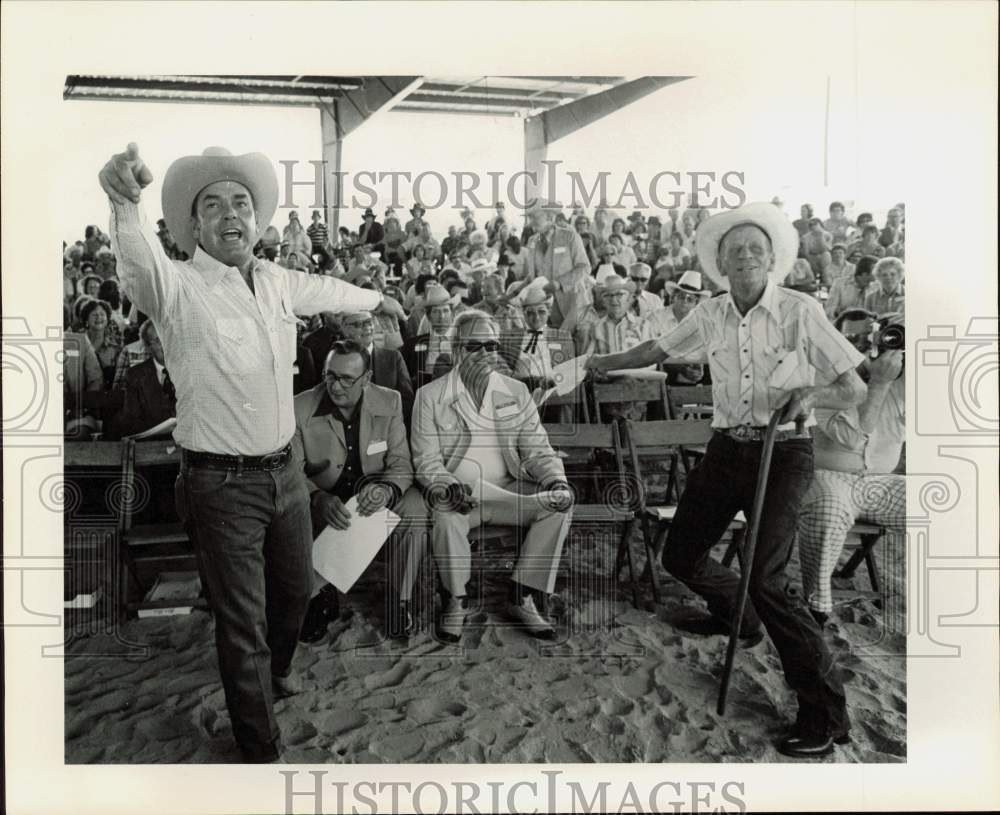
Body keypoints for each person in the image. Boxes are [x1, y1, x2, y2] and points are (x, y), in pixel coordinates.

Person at [99, 142, 407, 764]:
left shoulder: (275, 280)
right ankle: (259, 749)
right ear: (193, 227)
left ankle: (275, 673)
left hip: (285, 472)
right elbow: (135, 265)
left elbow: (326, 287)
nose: (230, 212)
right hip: (218, 484)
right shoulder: (177, 285)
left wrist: (378, 301)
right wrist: (123, 202)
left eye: (241, 201)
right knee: (242, 623)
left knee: (295, 593)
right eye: (212, 205)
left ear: (259, 218)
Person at [585, 202, 867, 758]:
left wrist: (810, 395)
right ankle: (738, 616)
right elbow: (652, 350)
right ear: (720, 261)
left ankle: (825, 711)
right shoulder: (711, 312)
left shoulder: (800, 309)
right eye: (735, 250)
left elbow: (854, 388)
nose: (745, 257)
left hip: (783, 452)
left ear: (772, 259)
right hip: (726, 448)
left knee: (769, 580)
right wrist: (595, 364)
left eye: (755, 249)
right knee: (680, 555)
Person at [411, 310, 574, 643]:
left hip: (508, 490)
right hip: (460, 496)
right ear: (457, 350)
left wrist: (555, 479)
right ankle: (455, 601)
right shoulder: (430, 396)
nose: (486, 353)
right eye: (476, 346)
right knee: (444, 519)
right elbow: (426, 461)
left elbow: (538, 449)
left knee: (559, 504)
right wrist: (449, 487)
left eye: (492, 345)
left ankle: (522, 595)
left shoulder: (514, 391)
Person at [293, 341, 429, 643]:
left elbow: (400, 462)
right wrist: (317, 497)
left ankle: (399, 600)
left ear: (366, 378)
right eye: (330, 375)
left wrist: (388, 489)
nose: (335, 386)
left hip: (373, 496)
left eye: (346, 379)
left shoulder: (389, 401)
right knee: (293, 508)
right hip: (326, 497)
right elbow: (292, 471)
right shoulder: (300, 407)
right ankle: (318, 594)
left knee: (415, 506)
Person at [797, 310, 905, 626]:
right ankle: (816, 607)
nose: (858, 346)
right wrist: (881, 382)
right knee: (828, 510)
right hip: (828, 477)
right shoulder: (821, 376)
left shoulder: (905, 374)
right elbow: (850, 438)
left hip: (881, 482)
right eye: (849, 338)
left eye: (867, 337)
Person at [524, 200, 591, 334]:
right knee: (556, 349)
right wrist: (513, 294)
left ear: (550, 216)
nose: (530, 222)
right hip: (547, 310)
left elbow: (584, 267)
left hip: (574, 305)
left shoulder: (569, 236)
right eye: (529, 218)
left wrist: (559, 283)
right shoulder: (532, 241)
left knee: (577, 345)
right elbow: (531, 277)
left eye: (534, 217)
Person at [339, 309, 414, 423]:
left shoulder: (393, 358)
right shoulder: (336, 361)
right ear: (345, 329)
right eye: (359, 324)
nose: (367, 328)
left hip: (387, 429)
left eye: (369, 322)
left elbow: (407, 401)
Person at [501, 285, 575, 396]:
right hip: (519, 396)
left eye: (541, 312)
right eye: (530, 313)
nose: (536, 317)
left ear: (549, 311)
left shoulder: (562, 338)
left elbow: (569, 375)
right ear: (523, 313)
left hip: (555, 397)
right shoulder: (508, 338)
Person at [107, 320, 176, 439]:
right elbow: (131, 420)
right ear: (148, 347)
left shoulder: (189, 371)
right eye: (158, 341)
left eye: (168, 337)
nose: (165, 344)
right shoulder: (135, 375)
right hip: (151, 445)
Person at [647, 271, 709, 385]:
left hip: (690, 366)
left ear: (696, 303)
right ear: (673, 297)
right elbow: (652, 351)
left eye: (690, 299)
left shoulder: (701, 321)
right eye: (681, 297)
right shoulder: (656, 318)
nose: (685, 301)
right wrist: (680, 367)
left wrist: (699, 366)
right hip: (665, 368)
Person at [402, 284, 456, 389]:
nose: (442, 317)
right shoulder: (412, 345)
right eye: (436, 312)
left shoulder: (463, 342)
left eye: (445, 311)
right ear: (428, 316)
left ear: (452, 314)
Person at [79, 299, 122, 390]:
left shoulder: (115, 347)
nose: (99, 317)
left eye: (102, 314)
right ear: (86, 319)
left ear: (107, 319)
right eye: (94, 315)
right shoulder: (78, 344)